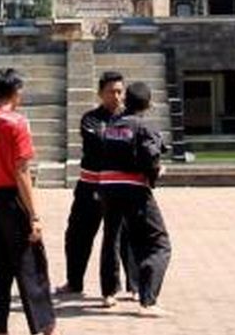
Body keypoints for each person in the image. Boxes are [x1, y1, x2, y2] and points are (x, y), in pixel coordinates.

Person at [0, 68, 66, 335]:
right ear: (16, 92)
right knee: (32, 265)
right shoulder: (17, 123)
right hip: (14, 199)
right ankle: (50, 334)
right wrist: (34, 215)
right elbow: (22, 170)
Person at [55, 71, 138, 304]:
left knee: (125, 237)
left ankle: (135, 286)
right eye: (111, 91)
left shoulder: (130, 117)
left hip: (120, 188)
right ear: (100, 93)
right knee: (77, 235)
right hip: (90, 186)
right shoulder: (90, 118)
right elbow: (98, 142)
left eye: (120, 91)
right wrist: (124, 138)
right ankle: (74, 282)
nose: (116, 96)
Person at [98, 81, 172, 317]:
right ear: (149, 104)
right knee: (159, 243)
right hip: (133, 189)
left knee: (117, 237)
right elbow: (151, 157)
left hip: (108, 189)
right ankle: (148, 300)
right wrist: (155, 173)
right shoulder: (143, 127)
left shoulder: (111, 126)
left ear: (126, 101)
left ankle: (120, 289)